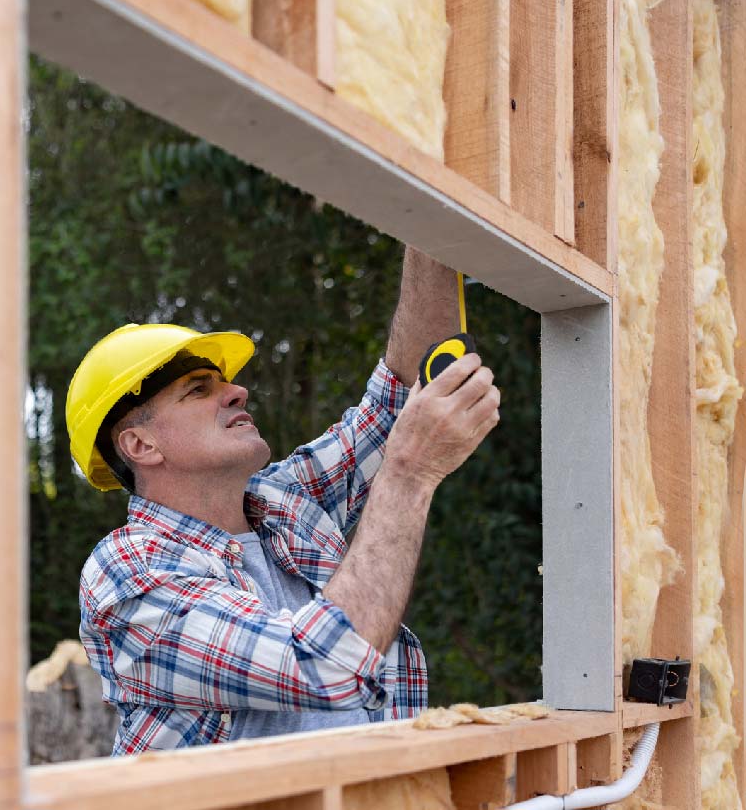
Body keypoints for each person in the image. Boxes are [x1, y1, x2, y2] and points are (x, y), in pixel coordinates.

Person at [67, 248, 500, 754]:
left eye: (225, 381)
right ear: (141, 445)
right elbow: (323, 667)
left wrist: (430, 218)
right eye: (198, 389)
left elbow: (402, 397)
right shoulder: (127, 571)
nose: (237, 392)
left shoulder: (284, 501)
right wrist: (409, 474)